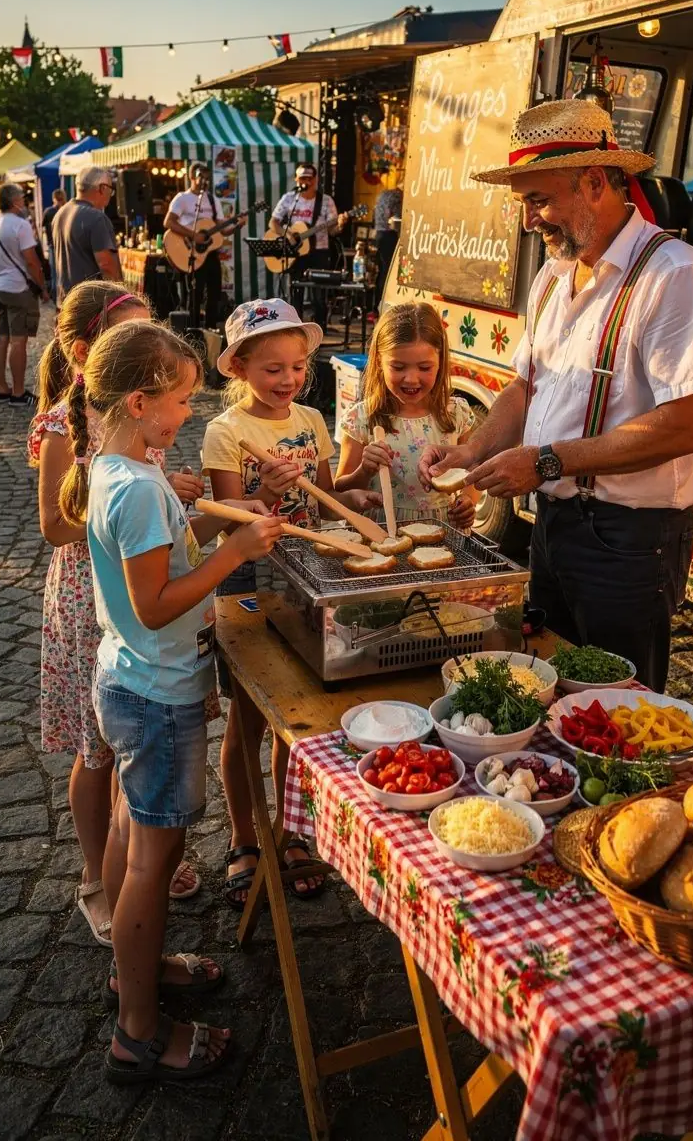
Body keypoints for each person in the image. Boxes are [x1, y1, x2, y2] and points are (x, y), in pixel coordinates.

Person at [420, 99, 693, 693]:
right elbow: (525, 385)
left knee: (617, 709)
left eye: (538, 200)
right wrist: (471, 449)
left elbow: (686, 427)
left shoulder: (675, 276)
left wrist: (545, 461)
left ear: (594, 182)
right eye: (525, 204)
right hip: (554, 526)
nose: (529, 220)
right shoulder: (552, 278)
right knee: (554, 686)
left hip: (629, 540)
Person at [59, 320, 282, 1081]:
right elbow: (154, 603)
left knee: (131, 836)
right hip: (157, 691)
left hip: (127, 678)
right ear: (139, 400)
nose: (190, 413)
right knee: (156, 859)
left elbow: (145, 566)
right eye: (182, 400)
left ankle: (138, 969)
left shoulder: (118, 469)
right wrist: (233, 552)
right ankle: (139, 1032)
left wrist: (208, 522)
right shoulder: (136, 486)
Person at [28, 281, 208, 945]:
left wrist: (175, 497)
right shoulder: (63, 428)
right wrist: (136, 534)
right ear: (87, 354)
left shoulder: (134, 440)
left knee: (121, 750)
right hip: (93, 598)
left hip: (131, 596)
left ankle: (132, 861)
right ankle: (97, 878)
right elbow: (52, 526)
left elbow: (147, 508)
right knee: (95, 746)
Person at [201, 298, 379, 907]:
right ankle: (243, 838)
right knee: (247, 718)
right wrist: (265, 494)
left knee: (297, 717)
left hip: (310, 579)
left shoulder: (311, 419)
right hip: (249, 585)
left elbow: (326, 498)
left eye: (298, 366)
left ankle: (292, 829)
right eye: (272, 368)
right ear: (241, 368)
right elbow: (229, 526)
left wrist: (361, 494)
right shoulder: (226, 432)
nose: (288, 379)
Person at [335, 301, 476, 528]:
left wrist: (468, 499)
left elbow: (473, 472)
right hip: (380, 531)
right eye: (398, 367)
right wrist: (365, 470)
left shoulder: (456, 414)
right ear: (379, 362)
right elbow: (339, 489)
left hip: (444, 530)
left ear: (440, 362)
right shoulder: (361, 418)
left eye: (424, 367)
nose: (411, 378)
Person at [0, 180, 48, 407]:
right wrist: (43, 287)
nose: (24, 202)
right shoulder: (20, 224)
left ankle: (1, 388)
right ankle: (17, 392)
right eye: (22, 198)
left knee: (0, 336)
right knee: (18, 341)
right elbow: (32, 261)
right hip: (17, 287)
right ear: (14, 201)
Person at [163, 161, 233, 330]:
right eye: (200, 177)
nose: (204, 182)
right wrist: (194, 235)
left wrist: (236, 225)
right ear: (191, 177)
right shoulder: (182, 198)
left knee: (214, 292)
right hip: (190, 251)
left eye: (207, 178)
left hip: (209, 253)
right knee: (195, 293)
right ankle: (192, 329)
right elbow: (168, 222)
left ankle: (210, 330)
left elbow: (221, 230)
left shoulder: (212, 199)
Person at [270, 163, 339, 329]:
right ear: (296, 179)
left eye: (309, 178)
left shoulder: (326, 201)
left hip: (319, 251)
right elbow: (273, 223)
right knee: (295, 291)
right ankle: (295, 326)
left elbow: (333, 230)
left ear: (315, 180)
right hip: (296, 252)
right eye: (302, 178)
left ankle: (320, 327)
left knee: (318, 293)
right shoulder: (289, 198)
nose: (305, 182)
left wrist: (340, 225)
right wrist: (288, 235)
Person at [52, 165, 122, 302]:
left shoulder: (60, 213)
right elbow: (107, 265)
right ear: (102, 188)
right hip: (91, 302)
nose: (110, 195)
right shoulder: (97, 218)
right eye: (110, 189)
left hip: (67, 299)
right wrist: (119, 299)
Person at [372, 179, 403, 311]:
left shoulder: (383, 194)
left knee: (381, 272)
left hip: (378, 233)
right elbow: (395, 219)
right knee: (388, 273)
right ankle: (383, 304)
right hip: (389, 235)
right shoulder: (398, 196)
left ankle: (376, 305)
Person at [42, 187, 67, 303]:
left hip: (53, 245)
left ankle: (56, 298)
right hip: (61, 245)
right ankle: (59, 298)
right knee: (60, 273)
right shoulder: (65, 211)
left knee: (55, 274)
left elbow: (42, 230)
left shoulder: (48, 211)